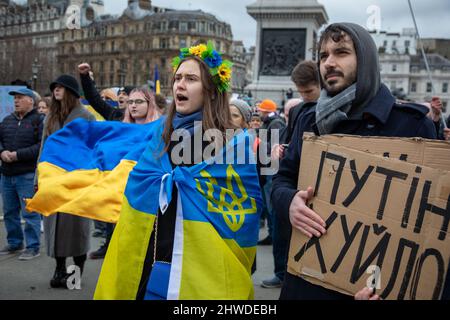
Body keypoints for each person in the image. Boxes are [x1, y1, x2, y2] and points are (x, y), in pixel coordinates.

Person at [271, 22, 443, 300]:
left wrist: (388, 289)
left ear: (366, 61)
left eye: (341, 52)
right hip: (306, 279)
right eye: (323, 55)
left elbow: (426, 226)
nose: (329, 62)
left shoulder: (410, 126)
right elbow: (282, 179)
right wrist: (289, 201)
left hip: (368, 283)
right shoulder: (307, 119)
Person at [262, 61, 321, 289]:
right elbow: (292, 141)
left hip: (314, 185)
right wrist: (283, 148)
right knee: (282, 233)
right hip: (292, 184)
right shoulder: (300, 111)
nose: (305, 96)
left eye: (309, 91)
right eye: (301, 92)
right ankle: (283, 273)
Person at [40, 74, 96, 288]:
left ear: (71, 92)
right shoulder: (51, 116)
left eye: (61, 87)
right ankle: (59, 268)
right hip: (53, 179)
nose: (56, 90)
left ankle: (75, 275)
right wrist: (39, 177)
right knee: (55, 227)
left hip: (77, 181)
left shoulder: (86, 116)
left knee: (76, 229)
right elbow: (43, 147)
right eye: (54, 87)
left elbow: (93, 148)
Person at [0, 88, 43, 260]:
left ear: (31, 101)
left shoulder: (39, 121)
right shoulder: (7, 120)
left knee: (30, 212)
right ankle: (15, 243)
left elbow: (41, 145)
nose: (16, 101)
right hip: (6, 174)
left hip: (26, 174)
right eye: (15, 99)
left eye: (20, 98)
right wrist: (1, 152)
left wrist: (18, 155)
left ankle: (33, 247)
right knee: (10, 212)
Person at [257, 99, 286, 247]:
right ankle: (271, 234)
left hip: (271, 167)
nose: (259, 113)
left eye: (261, 111)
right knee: (267, 204)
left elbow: (275, 146)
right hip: (265, 166)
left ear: (266, 111)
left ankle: (275, 236)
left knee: (270, 205)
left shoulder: (276, 124)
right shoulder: (269, 123)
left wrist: (257, 142)